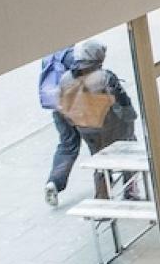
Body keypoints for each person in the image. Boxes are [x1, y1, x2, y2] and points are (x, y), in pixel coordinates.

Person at [48, 40, 137, 203]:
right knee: (128, 152)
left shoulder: (66, 78)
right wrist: (130, 120)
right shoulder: (105, 77)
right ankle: (130, 192)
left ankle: (102, 198)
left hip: (87, 129)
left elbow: (62, 106)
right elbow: (123, 103)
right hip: (112, 127)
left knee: (99, 160)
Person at [39, 45, 77, 205]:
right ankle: (104, 185)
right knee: (97, 144)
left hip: (58, 108)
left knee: (67, 145)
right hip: (78, 108)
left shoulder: (48, 55)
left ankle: (54, 182)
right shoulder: (71, 54)